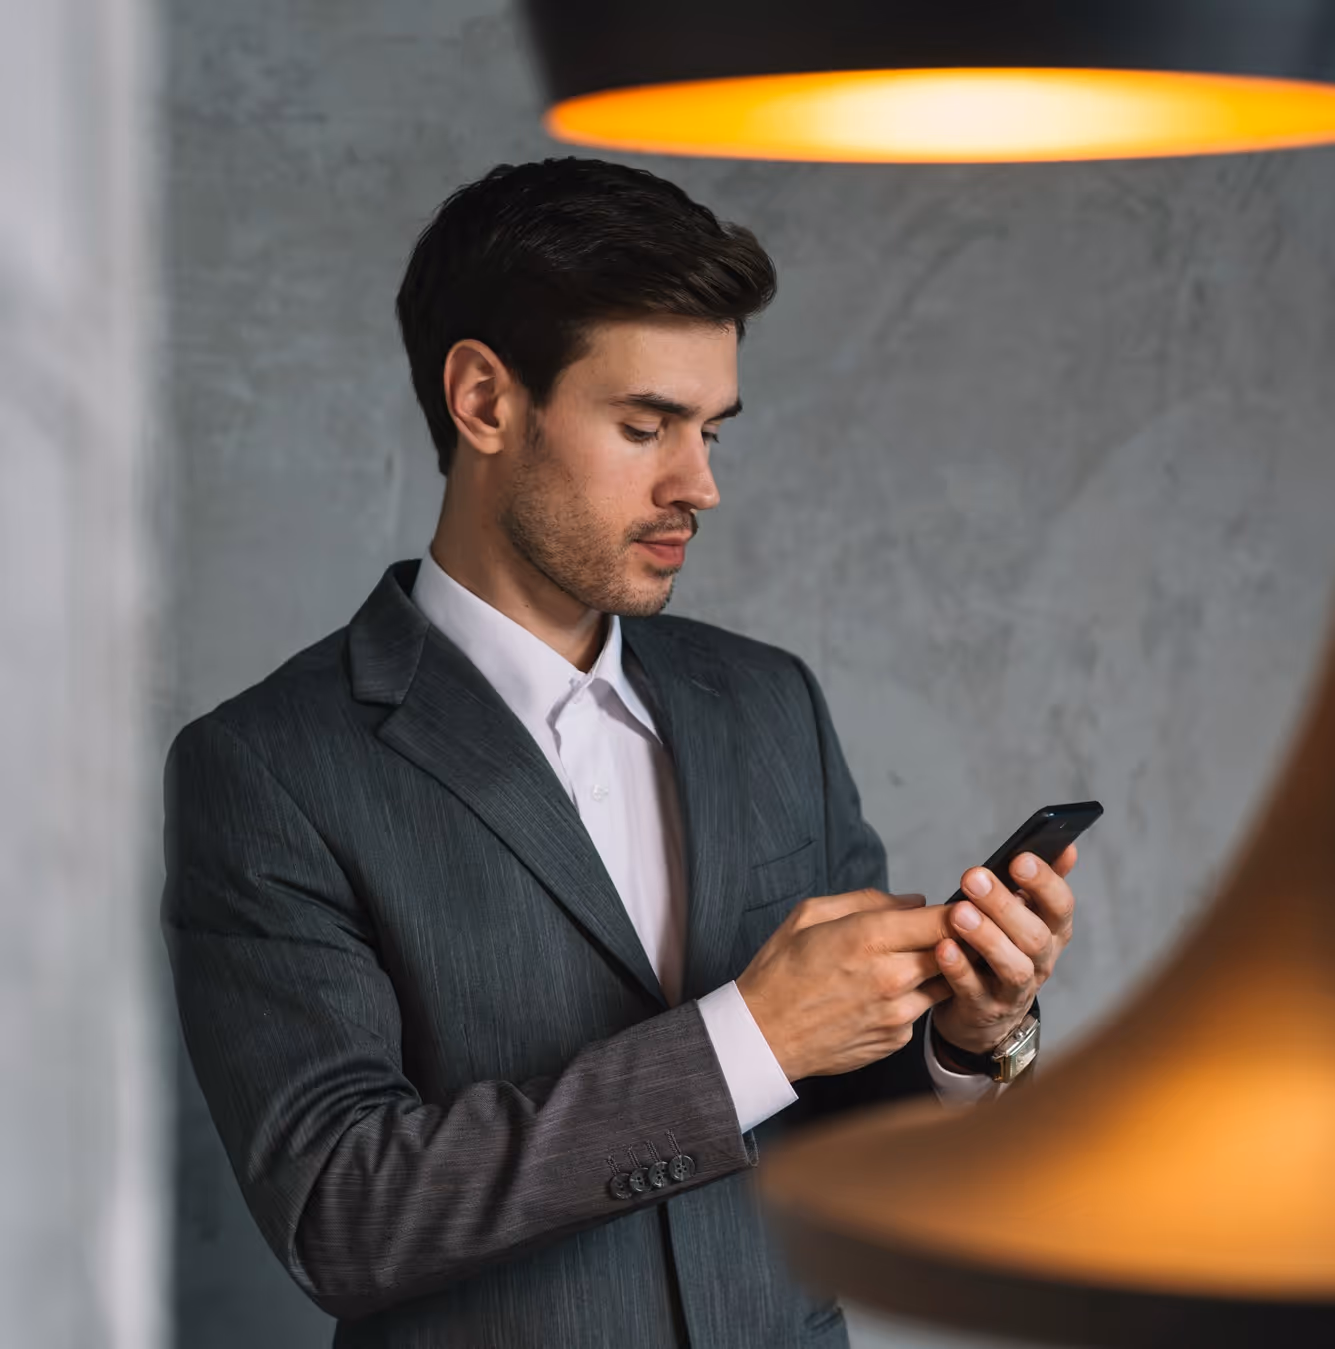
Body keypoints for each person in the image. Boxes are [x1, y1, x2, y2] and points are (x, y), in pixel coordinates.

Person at [161, 157, 1079, 1349]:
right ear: (485, 400)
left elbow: (841, 1121)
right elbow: (344, 1212)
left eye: (710, 429)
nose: (698, 484)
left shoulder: (769, 703)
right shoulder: (267, 769)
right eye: (646, 425)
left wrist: (969, 1035)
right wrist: (745, 1034)